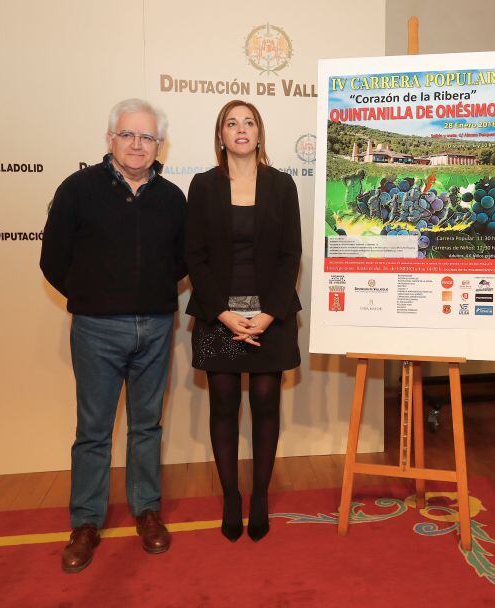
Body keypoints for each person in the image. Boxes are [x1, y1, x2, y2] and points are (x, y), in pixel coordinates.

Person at [40, 99, 187, 572]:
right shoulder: (77, 189)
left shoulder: (172, 197)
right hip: (96, 329)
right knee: (93, 433)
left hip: (158, 327)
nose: (137, 144)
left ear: (158, 144)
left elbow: (184, 261)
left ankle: (147, 512)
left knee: (147, 427)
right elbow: (53, 259)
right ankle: (85, 523)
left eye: (147, 137)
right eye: (128, 135)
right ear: (110, 139)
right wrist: (94, 300)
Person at [185, 100, 301, 542]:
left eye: (248, 122)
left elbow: (292, 253)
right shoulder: (203, 185)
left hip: (270, 315)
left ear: (259, 133)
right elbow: (194, 255)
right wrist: (225, 314)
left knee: (267, 404)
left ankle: (260, 497)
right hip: (221, 315)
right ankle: (231, 496)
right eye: (231, 123)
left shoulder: (282, 185)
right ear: (221, 135)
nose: (240, 129)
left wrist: (269, 313)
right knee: (224, 405)